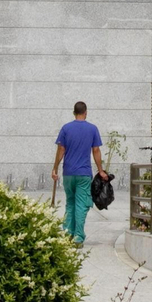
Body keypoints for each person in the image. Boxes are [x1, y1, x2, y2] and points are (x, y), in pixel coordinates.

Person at [52, 101, 108, 244]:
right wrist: (100, 170)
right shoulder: (92, 129)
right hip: (83, 173)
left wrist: (55, 168)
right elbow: (96, 150)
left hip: (68, 173)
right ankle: (78, 237)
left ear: (74, 113)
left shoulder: (66, 128)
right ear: (86, 112)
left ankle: (67, 234)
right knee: (81, 204)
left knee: (70, 203)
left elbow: (61, 150)